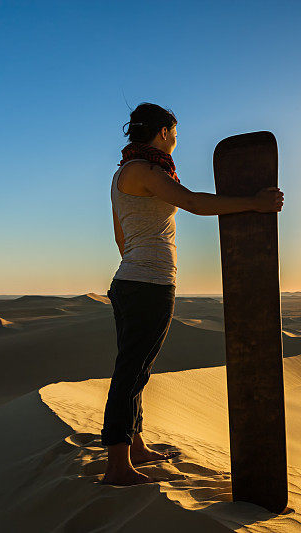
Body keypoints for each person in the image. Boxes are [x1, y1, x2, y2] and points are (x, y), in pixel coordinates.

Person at [102, 102, 284, 486]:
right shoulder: (147, 171)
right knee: (131, 373)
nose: (176, 141)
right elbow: (195, 202)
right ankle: (117, 466)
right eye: (176, 134)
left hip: (132, 281)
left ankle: (135, 446)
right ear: (164, 132)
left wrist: (139, 266)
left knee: (137, 369)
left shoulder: (123, 173)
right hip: (147, 285)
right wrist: (254, 203)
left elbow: (121, 236)